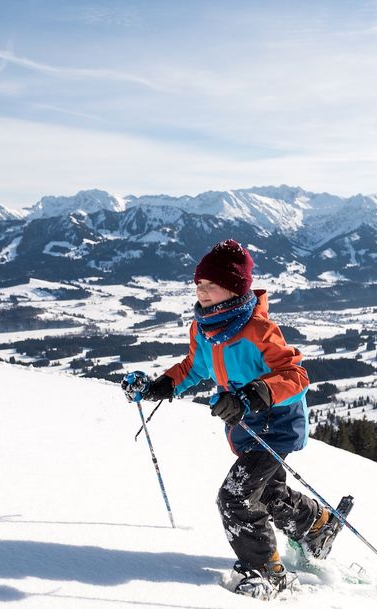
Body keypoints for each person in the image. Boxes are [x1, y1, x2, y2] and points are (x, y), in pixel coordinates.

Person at [123, 239, 340, 599]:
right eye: (198, 284)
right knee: (267, 492)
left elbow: (296, 375)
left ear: (234, 288)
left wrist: (253, 395)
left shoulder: (258, 330)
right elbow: (194, 367)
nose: (202, 291)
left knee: (236, 497)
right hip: (245, 427)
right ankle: (316, 524)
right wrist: (160, 386)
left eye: (211, 285)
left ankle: (267, 572)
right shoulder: (204, 328)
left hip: (277, 424)